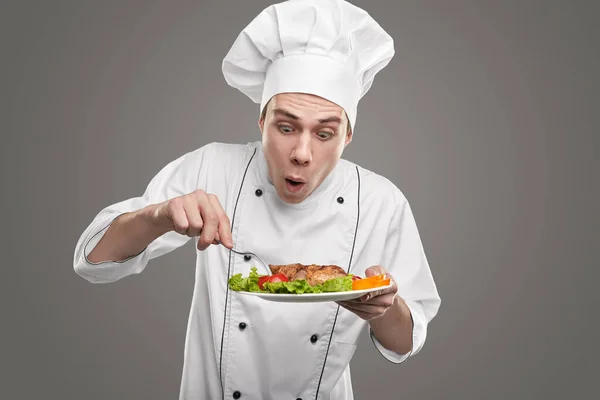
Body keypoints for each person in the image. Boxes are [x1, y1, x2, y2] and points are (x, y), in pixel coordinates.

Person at [73, 0, 441, 399]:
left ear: (347, 136)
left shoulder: (380, 201)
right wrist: (158, 216)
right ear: (261, 121)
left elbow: (405, 342)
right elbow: (92, 261)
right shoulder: (214, 167)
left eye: (324, 134)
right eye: (286, 126)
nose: (301, 152)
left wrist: (385, 309)